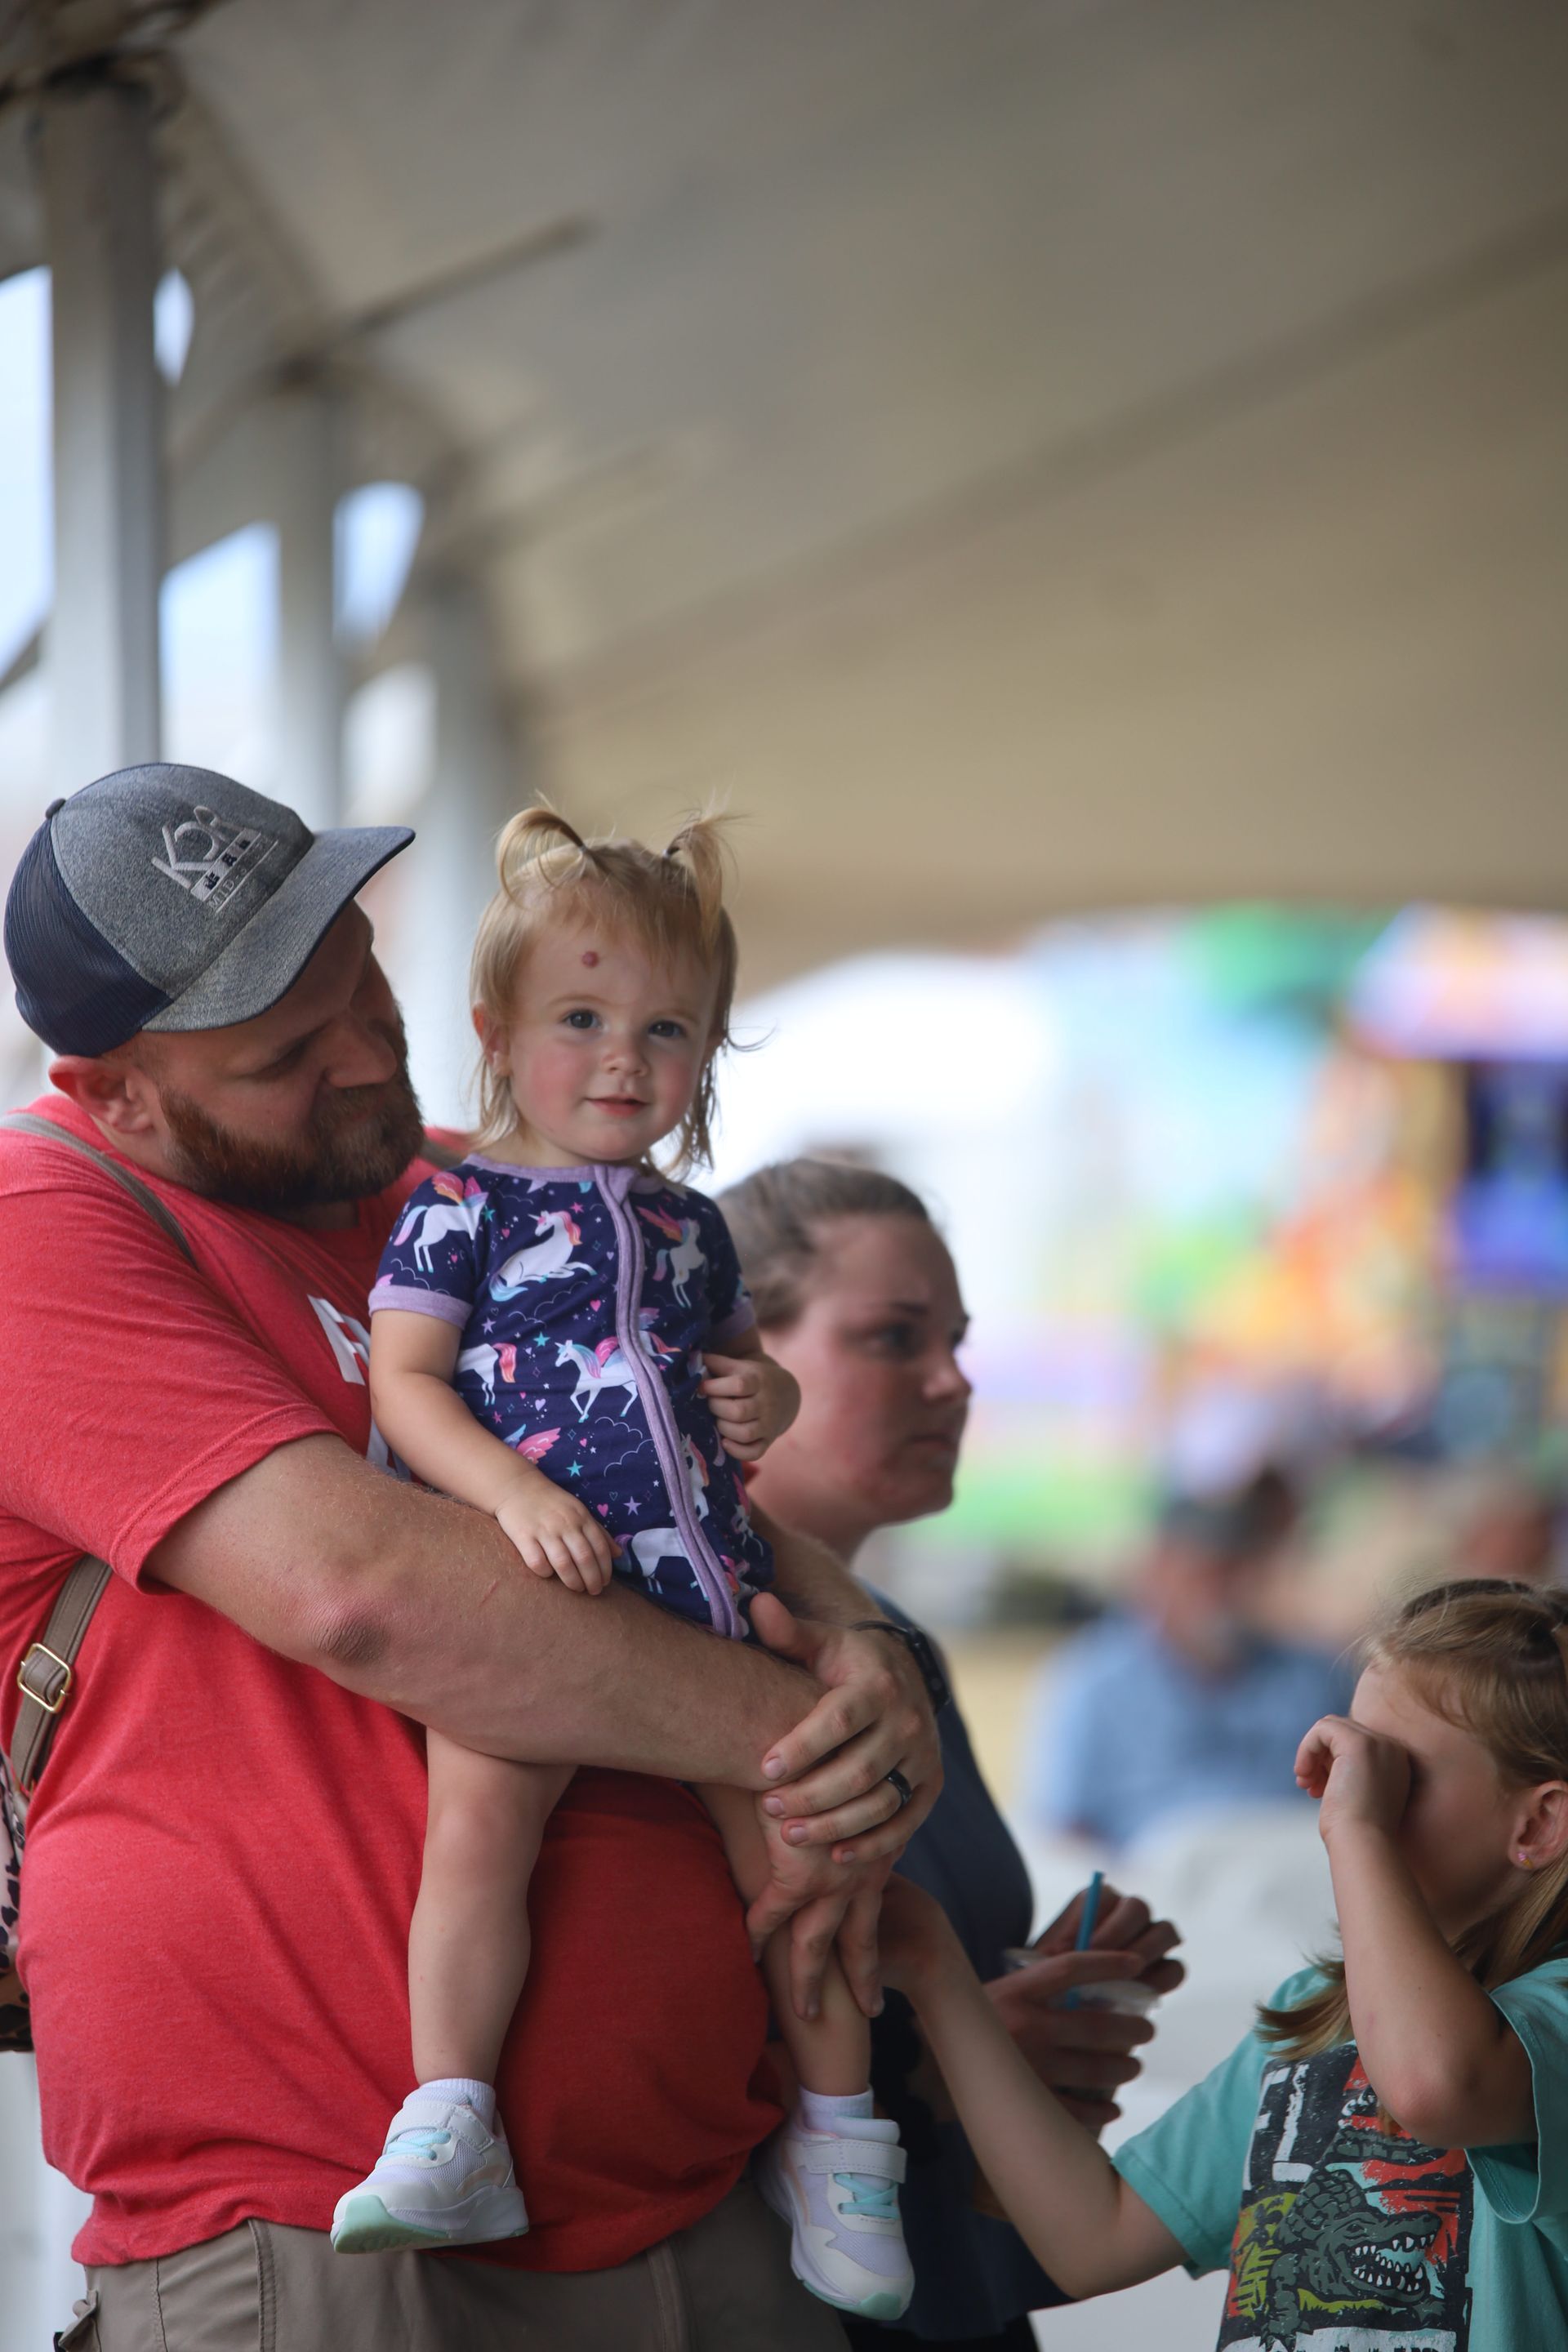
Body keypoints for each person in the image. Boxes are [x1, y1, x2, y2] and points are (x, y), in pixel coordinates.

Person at [0, 765, 945, 2352]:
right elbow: (361, 1594)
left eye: (358, 975)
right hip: (317, 2228)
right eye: (285, 1053)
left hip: (702, 2187)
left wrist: (869, 1656)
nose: (368, 1050)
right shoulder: (43, 1219)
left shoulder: (465, 1183)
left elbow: (687, 1478)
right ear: (119, 1092)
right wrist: (810, 1754)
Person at [341, 809, 915, 2321]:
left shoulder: (690, 1227)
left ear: (710, 1053)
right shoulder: (454, 1206)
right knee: (478, 1835)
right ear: (496, 1032)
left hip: (708, 1605)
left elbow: (734, 1377)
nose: (622, 1061)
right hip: (528, 1605)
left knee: (804, 1861)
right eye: (580, 1022)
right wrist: (504, 1495)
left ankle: (844, 2140)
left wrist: (773, 1400)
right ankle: (451, 2113)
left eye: (667, 1032)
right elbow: (401, 1385)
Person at [720, 1158, 1184, 2351]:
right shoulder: (693, 1649)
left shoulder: (898, 1647)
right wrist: (954, 2059)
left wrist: (1032, 2010)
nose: (952, 1381)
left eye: (959, 1339)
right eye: (891, 1337)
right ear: (738, 1358)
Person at [879, 1577, 1568, 2348]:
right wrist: (940, 1978)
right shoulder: (1319, 2015)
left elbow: (1437, 2086)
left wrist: (1359, 1834)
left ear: (1539, 1824)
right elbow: (1092, 2237)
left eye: (1393, 1775)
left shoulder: (1551, 2018)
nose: (1345, 1801)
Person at [1024, 1478, 1353, 1849]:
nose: (1220, 1590)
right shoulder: (1090, 1681)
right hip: (1155, 1886)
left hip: (1292, 1876)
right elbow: (1061, 1827)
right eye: (1202, 1571)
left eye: (1236, 1569)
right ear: (1159, 1572)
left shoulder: (1315, 1674)